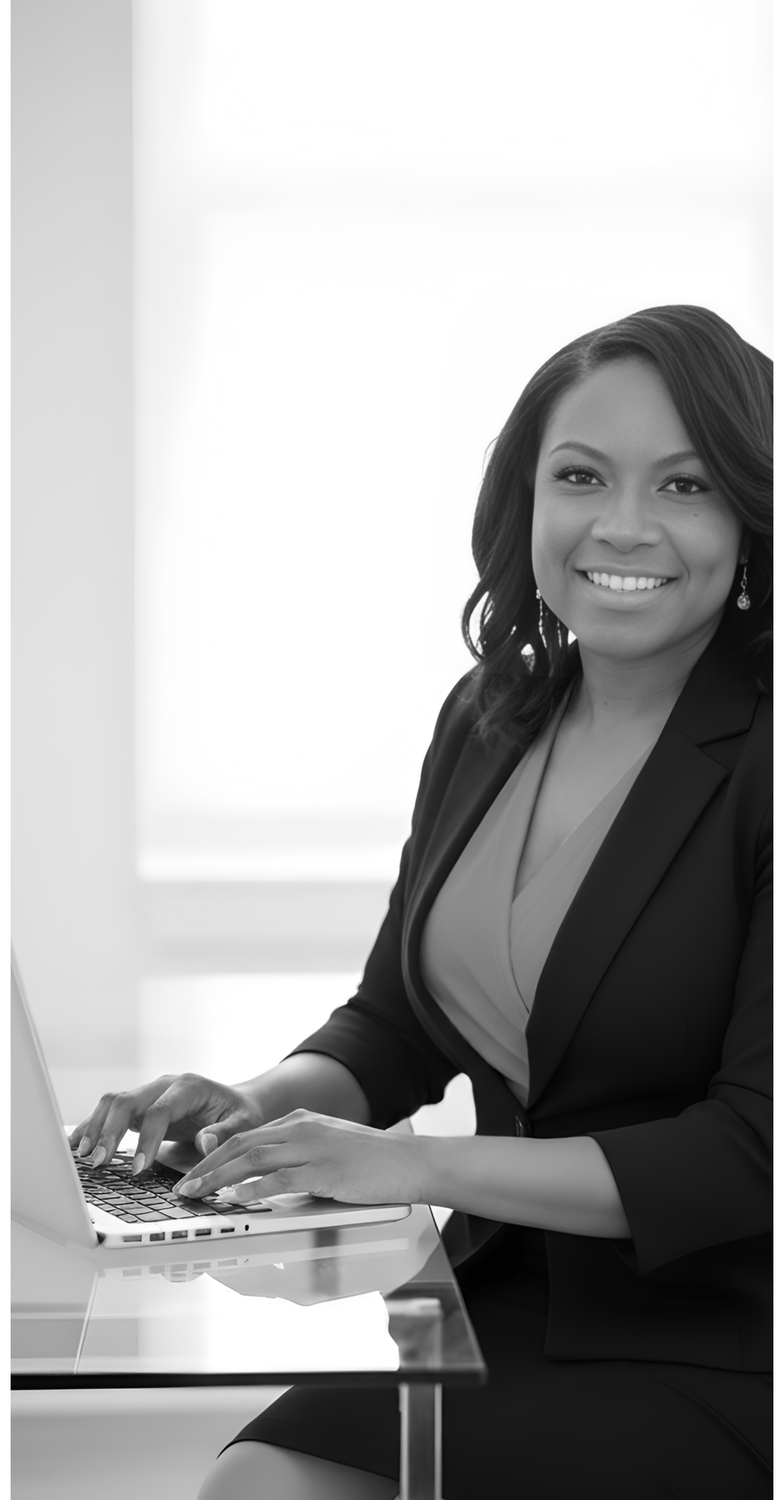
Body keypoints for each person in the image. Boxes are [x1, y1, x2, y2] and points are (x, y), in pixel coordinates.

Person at [72, 305, 772, 1499]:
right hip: (500, 1293)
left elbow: (749, 1155)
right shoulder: (492, 715)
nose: (623, 524)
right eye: (580, 476)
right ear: (525, 500)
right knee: (260, 1484)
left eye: (685, 484)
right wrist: (258, 1108)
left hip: (725, 1329)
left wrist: (415, 1169)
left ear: (751, 512)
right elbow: (395, 1023)